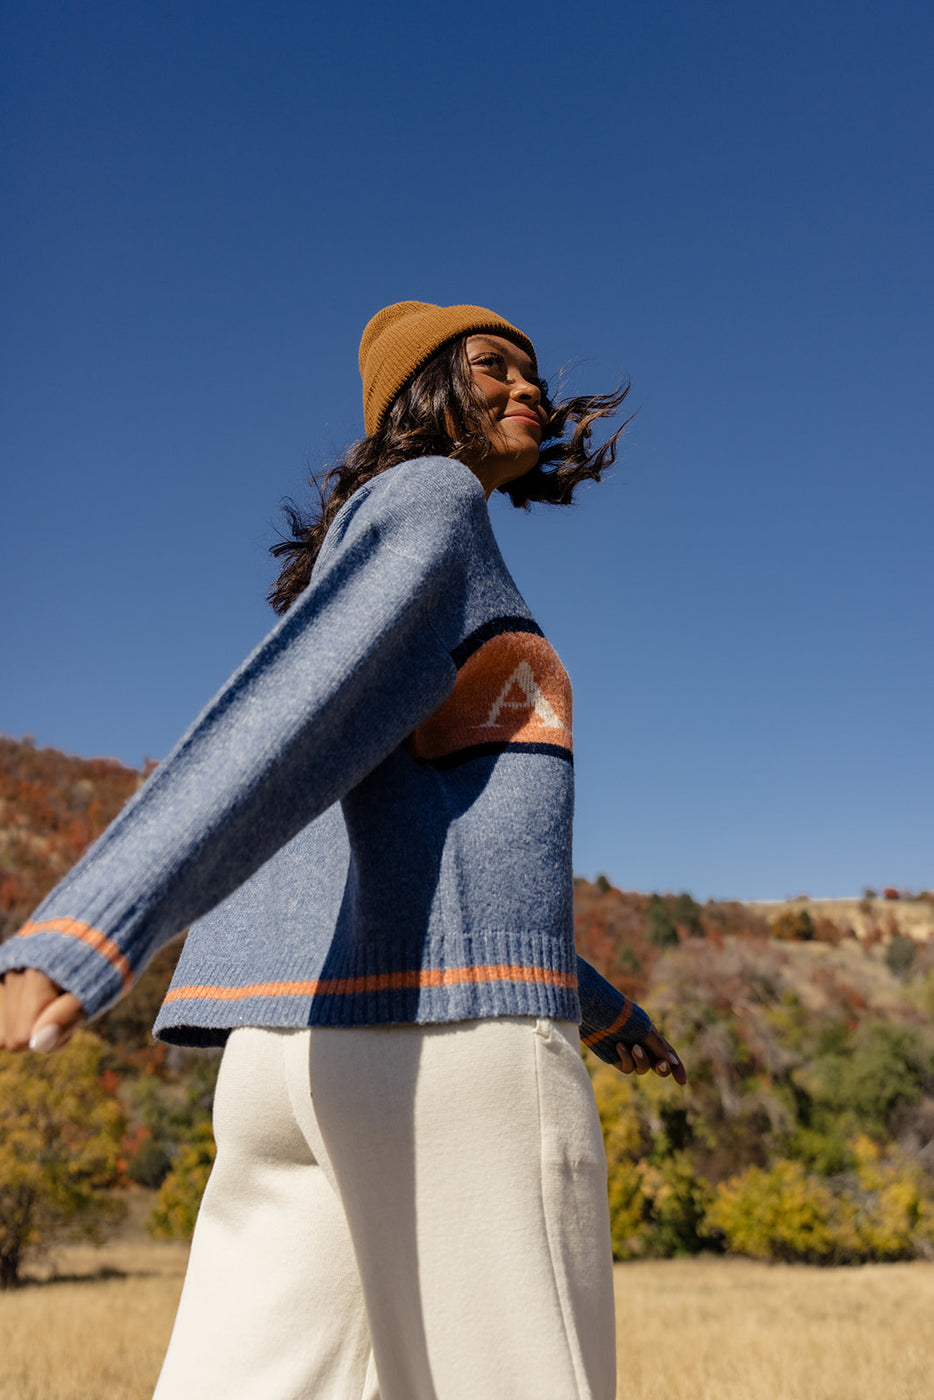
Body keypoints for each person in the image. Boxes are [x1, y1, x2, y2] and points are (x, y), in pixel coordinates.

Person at [0, 301, 686, 1399]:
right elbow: (280, 723)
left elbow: (405, 834)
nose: (528, 389)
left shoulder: (373, 561)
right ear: (419, 394)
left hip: (287, 1059)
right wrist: (90, 925)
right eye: (489, 365)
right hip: (442, 1050)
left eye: (532, 372)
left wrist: (599, 1005)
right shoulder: (435, 501)